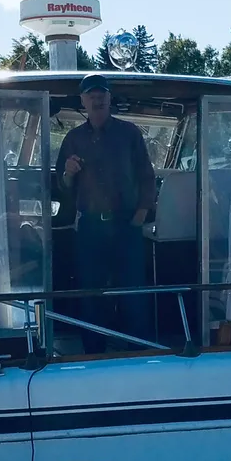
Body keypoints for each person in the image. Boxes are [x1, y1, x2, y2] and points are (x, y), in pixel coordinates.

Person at [56, 74, 155, 352]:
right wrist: (68, 173)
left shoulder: (130, 134)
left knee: (133, 294)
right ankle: (93, 355)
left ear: (109, 99)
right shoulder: (73, 139)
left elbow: (147, 177)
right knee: (91, 295)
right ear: (83, 101)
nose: (97, 100)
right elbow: (61, 188)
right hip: (90, 229)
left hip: (127, 226)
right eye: (91, 95)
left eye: (102, 95)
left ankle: (140, 354)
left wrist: (140, 215)